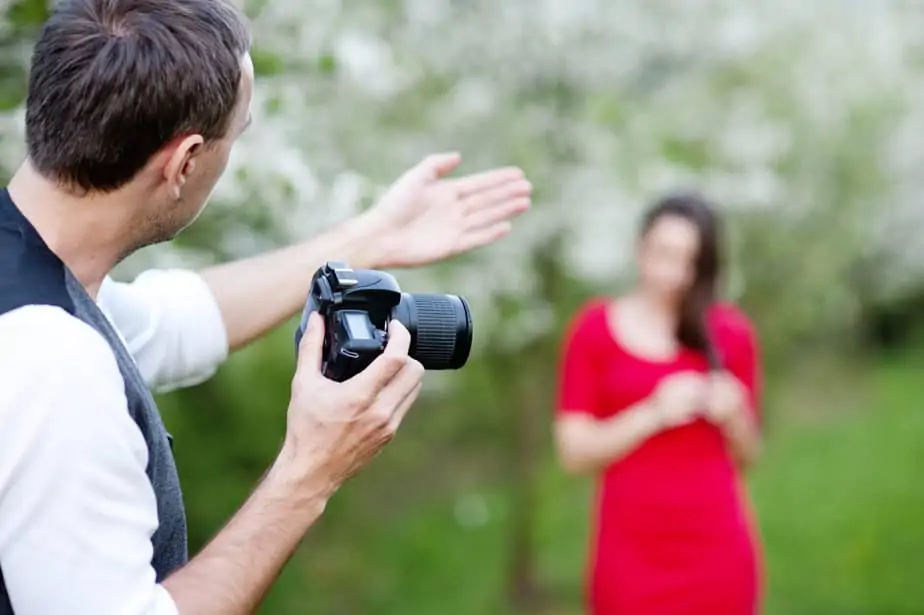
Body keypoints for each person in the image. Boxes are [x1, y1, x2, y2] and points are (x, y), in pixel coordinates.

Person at [0, 1, 532, 614]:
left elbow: (167, 323)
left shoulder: (35, 282)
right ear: (185, 162)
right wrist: (310, 470)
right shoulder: (52, 364)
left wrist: (368, 237)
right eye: (238, 135)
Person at [554, 193, 763, 615]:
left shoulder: (731, 333)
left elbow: (750, 455)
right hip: (630, 558)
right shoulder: (594, 330)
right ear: (640, 248)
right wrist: (654, 413)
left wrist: (735, 414)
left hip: (717, 554)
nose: (672, 273)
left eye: (689, 260)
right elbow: (573, 454)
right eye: (663, 253)